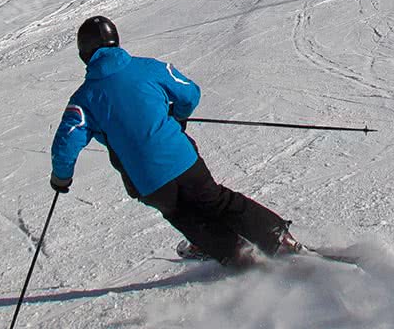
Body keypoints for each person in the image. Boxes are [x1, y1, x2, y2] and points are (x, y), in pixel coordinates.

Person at [49, 16, 300, 267]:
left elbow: (66, 142)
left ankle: (240, 256)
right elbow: (189, 93)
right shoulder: (149, 68)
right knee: (216, 200)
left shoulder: (84, 98)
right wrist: (177, 116)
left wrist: (61, 177)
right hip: (184, 160)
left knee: (182, 215)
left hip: (147, 180)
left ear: (85, 53)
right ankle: (279, 238)